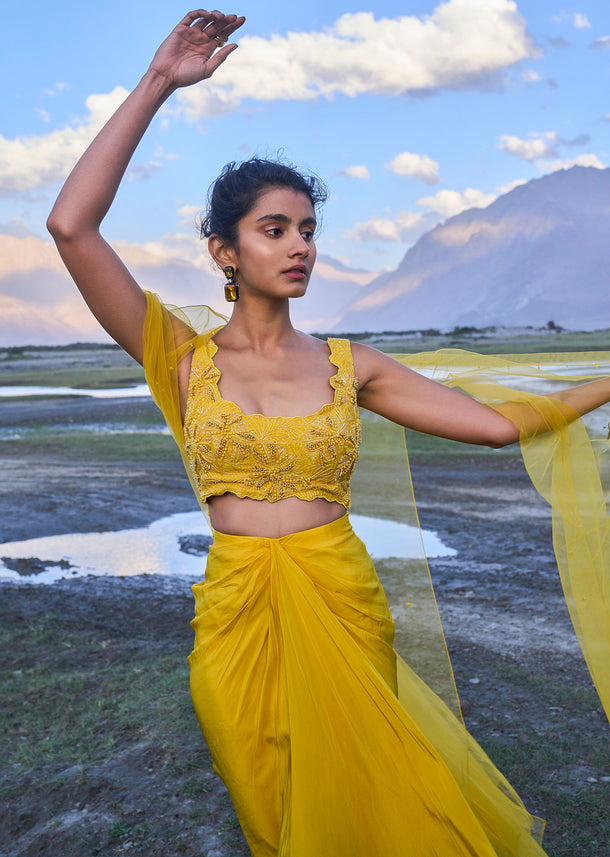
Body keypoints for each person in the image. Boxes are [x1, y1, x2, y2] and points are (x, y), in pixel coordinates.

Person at [47, 11, 610, 856]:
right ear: (223, 251)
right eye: (275, 229)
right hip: (235, 614)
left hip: (343, 602)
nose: (300, 245)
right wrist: (159, 83)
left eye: (308, 229)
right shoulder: (180, 359)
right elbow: (70, 228)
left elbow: (496, 426)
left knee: (373, 812)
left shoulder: (354, 364)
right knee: (275, 821)